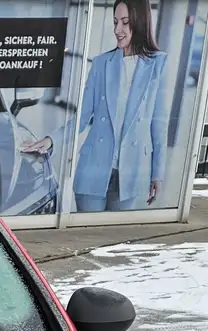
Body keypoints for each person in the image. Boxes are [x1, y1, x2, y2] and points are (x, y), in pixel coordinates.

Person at [69, 0, 169, 211]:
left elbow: (158, 126)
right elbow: (83, 116)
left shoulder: (158, 65)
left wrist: (157, 174)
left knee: (113, 239)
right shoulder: (101, 63)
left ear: (140, 22)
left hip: (131, 173)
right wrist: (51, 140)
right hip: (94, 170)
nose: (117, 30)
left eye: (125, 22)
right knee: (87, 236)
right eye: (115, 22)